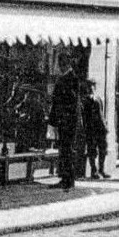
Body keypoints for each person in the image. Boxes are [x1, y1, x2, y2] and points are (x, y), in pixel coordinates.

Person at [48, 53, 83, 190]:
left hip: (69, 121)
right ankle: (65, 178)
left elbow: (73, 102)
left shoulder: (72, 79)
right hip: (64, 120)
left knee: (67, 150)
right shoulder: (64, 78)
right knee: (64, 149)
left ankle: (68, 179)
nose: (60, 66)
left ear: (66, 64)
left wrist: (62, 115)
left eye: (62, 64)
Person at [82, 78, 110, 179]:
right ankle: (93, 171)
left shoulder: (99, 98)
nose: (91, 88)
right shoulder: (85, 100)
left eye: (93, 85)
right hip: (91, 128)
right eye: (89, 85)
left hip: (101, 127)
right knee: (92, 149)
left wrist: (105, 125)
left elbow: (102, 113)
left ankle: (101, 169)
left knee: (103, 148)